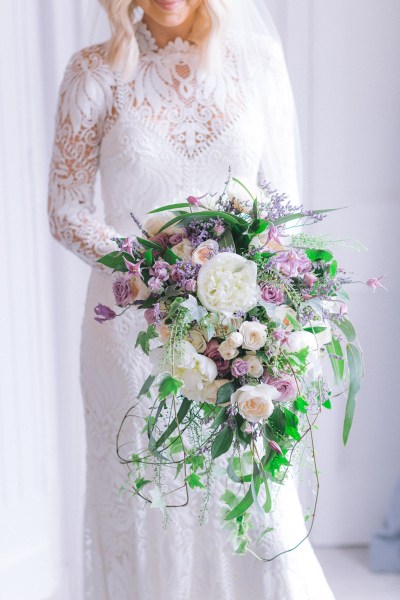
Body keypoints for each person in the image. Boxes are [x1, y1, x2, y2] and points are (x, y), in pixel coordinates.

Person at [48, 1, 335, 598]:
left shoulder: (257, 60)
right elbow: (67, 210)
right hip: (128, 328)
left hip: (240, 327)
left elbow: (285, 202)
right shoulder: (92, 74)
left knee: (250, 499)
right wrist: (157, 267)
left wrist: (260, 301)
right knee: (148, 493)